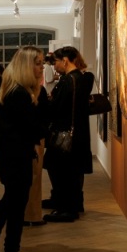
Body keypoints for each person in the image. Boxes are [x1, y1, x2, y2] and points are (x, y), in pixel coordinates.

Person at [0, 47, 47, 252]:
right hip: (16, 155)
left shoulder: (17, 90)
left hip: (13, 154)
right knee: (16, 205)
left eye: (42, 62)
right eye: (38, 63)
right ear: (26, 66)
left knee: (10, 200)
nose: (42, 67)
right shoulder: (19, 94)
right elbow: (33, 127)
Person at [42, 46, 94, 223]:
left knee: (61, 169)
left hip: (64, 132)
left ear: (64, 60)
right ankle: (72, 203)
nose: (54, 66)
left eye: (55, 62)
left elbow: (57, 107)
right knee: (73, 170)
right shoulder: (82, 77)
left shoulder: (67, 80)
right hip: (78, 131)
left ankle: (66, 208)